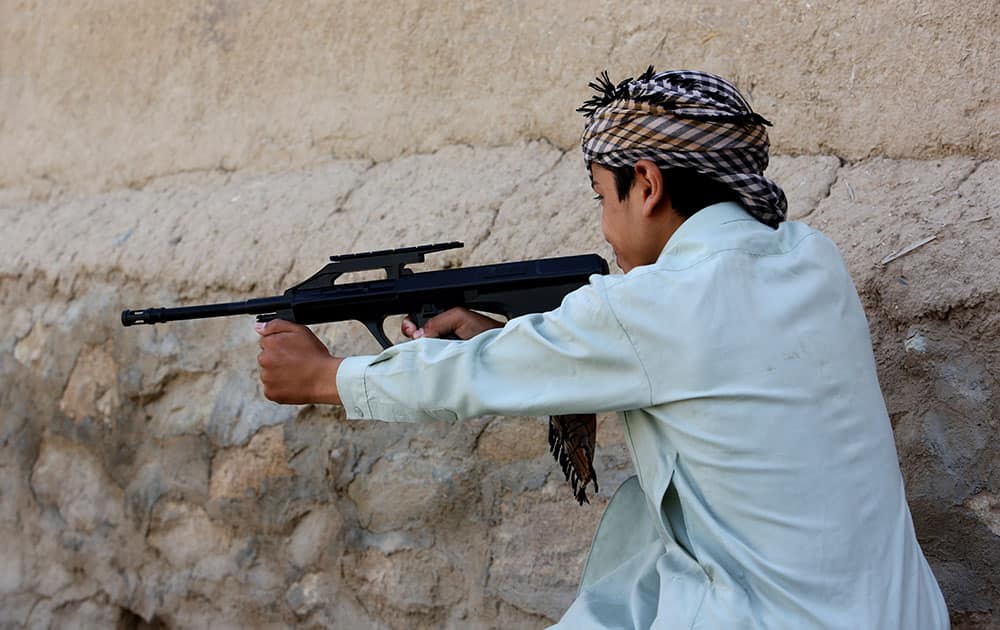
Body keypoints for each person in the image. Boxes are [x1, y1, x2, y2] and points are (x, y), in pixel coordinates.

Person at [255, 68, 949, 628]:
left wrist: (324, 377)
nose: (606, 227)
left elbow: (478, 377)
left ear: (646, 184)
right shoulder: (811, 260)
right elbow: (694, 371)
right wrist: (499, 336)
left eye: (601, 196)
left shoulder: (654, 304)